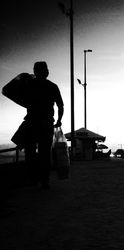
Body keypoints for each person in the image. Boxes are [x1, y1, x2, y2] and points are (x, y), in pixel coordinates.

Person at [24, 61, 64, 189]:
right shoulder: (52, 86)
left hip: (31, 122)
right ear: (47, 72)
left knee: (30, 152)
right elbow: (60, 105)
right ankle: (45, 180)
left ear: (35, 72)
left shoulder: (29, 85)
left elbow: (19, 97)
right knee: (44, 153)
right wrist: (59, 120)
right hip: (46, 123)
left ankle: (32, 179)